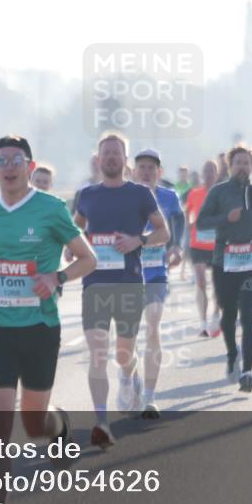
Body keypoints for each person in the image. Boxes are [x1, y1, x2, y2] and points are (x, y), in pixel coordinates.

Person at [0, 136, 96, 504]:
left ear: (30, 166)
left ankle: (60, 426)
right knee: (0, 424)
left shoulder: (50, 210)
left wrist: (58, 278)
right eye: (3, 160)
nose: (10, 166)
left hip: (39, 330)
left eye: (17, 160)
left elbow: (88, 258)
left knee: (34, 425)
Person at [74, 133, 169, 448]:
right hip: (94, 284)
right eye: (106, 153)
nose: (112, 157)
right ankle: (101, 421)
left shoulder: (140, 194)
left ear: (125, 160)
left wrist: (137, 240)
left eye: (117, 153)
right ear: (98, 160)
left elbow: (163, 231)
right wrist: (70, 250)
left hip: (129, 282)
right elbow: (74, 230)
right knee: (98, 352)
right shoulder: (86, 195)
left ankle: (131, 376)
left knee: (122, 354)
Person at [195, 145, 252, 393]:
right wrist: (225, 219)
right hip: (224, 261)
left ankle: (247, 371)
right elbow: (201, 223)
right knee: (228, 316)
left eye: (246, 163)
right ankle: (232, 353)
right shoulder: (219, 192)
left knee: (248, 313)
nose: (242, 167)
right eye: (238, 163)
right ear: (230, 166)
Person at [133, 149, 184, 419]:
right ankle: (131, 378)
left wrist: (176, 245)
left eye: (151, 168)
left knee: (153, 325)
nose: (146, 171)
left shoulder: (168, 196)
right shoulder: (123, 194)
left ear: (159, 173)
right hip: (127, 273)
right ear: (133, 170)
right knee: (126, 338)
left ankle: (150, 397)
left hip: (155, 272)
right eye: (141, 167)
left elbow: (179, 219)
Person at [185, 159, 222, 337]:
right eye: (206, 170)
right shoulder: (194, 193)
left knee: (216, 283)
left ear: (217, 174)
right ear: (202, 174)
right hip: (197, 244)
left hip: (217, 245)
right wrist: (190, 223)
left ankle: (216, 313)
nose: (208, 174)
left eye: (212, 171)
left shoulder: (222, 194)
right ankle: (203, 322)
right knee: (201, 282)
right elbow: (187, 213)